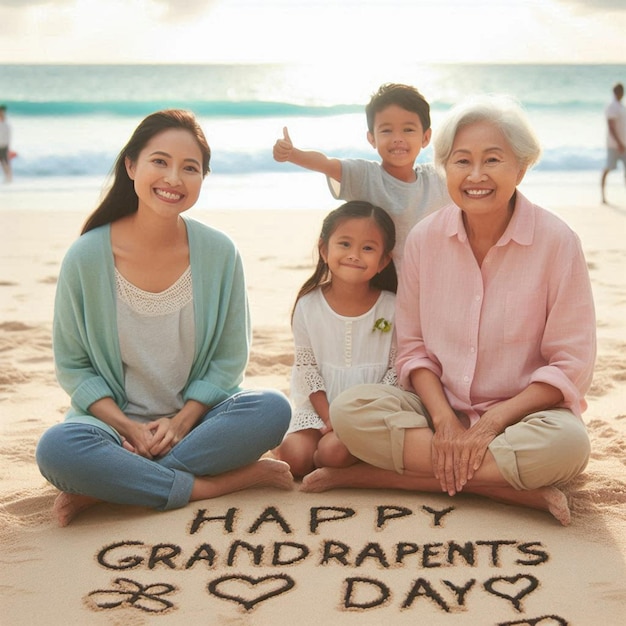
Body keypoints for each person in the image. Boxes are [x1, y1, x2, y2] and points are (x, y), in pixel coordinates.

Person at [302, 95, 596, 527]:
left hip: (523, 414)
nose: (476, 176)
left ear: (522, 166)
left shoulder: (558, 242)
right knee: (352, 410)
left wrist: (493, 421)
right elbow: (413, 348)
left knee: (569, 447)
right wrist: (443, 421)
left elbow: (571, 364)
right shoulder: (424, 239)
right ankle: (501, 486)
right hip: (434, 407)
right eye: (462, 161)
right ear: (445, 168)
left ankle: (387, 478)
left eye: (492, 160)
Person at [36, 109, 293, 527]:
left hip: (198, 423)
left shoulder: (220, 253)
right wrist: (130, 430)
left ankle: (107, 488)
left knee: (272, 408)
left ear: (202, 180)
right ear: (132, 166)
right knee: (56, 448)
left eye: (189, 168)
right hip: (112, 431)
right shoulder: (86, 256)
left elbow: (229, 360)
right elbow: (74, 367)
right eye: (160, 161)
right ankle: (212, 485)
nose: (174, 178)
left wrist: (181, 421)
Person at [274, 201, 398, 477]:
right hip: (320, 408)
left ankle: (340, 469)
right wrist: (330, 417)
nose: (354, 255)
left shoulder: (391, 306)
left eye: (367, 248)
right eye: (344, 244)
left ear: (384, 261)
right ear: (323, 249)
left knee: (334, 452)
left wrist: (352, 419)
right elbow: (307, 369)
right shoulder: (308, 305)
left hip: (369, 413)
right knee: (294, 457)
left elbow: (395, 371)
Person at [272, 83, 450, 267]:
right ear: (372, 138)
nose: (398, 138)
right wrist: (292, 154)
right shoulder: (365, 176)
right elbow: (326, 163)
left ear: (426, 138)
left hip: (427, 282)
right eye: (386, 130)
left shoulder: (436, 178)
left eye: (408, 129)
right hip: (380, 288)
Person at [601, 82, 626, 204]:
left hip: (623, 144)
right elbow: (611, 127)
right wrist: (619, 143)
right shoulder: (612, 107)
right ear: (617, 92)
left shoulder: (620, 106)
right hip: (614, 145)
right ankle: (603, 196)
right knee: (608, 168)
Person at [0, 105, 13, 183]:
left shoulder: (5, 125)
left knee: (5, 162)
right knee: (4, 162)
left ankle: (9, 178)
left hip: (3, 145)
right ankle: (8, 177)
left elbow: (7, 135)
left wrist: (8, 145)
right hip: (2, 144)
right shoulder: (4, 124)